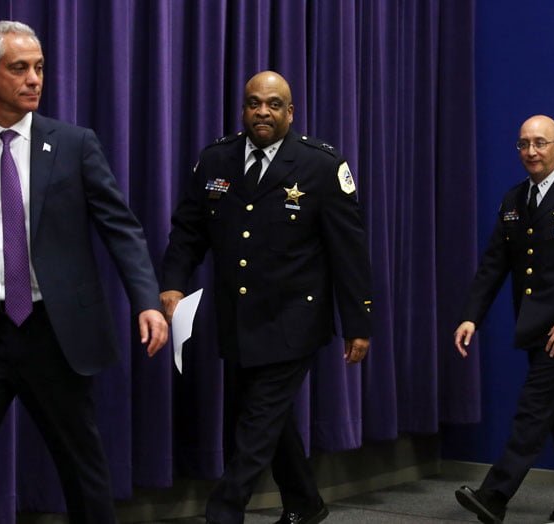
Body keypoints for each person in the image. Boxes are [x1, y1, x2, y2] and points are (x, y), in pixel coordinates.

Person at [0, 20, 167, 523]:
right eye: (19, 68)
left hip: (56, 334)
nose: (33, 79)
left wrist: (147, 301)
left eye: (40, 68)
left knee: (83, 473)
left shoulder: (74, 145)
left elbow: (122, 229)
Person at [160, 71, 372, 524]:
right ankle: (305, 503)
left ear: (290, 112)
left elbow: (349, 252)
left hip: (295, 319)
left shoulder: (319, 165)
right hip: (238, 317)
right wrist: (173, 283)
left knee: (255, 426)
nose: (262, 112)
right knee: (263, 419)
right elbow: (188, 231)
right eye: (254, 103)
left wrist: (359, 323)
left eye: (274, 104)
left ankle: (224, 510)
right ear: (243, 109)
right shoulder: (217, 160)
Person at [453, 115, 554, 523]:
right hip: (532, 324)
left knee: (534, 407)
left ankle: (494, 495)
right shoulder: (514, 201)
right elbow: (494, 265)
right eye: (524, 144)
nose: (531, 152)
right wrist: (472, 316)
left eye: (540, 143)